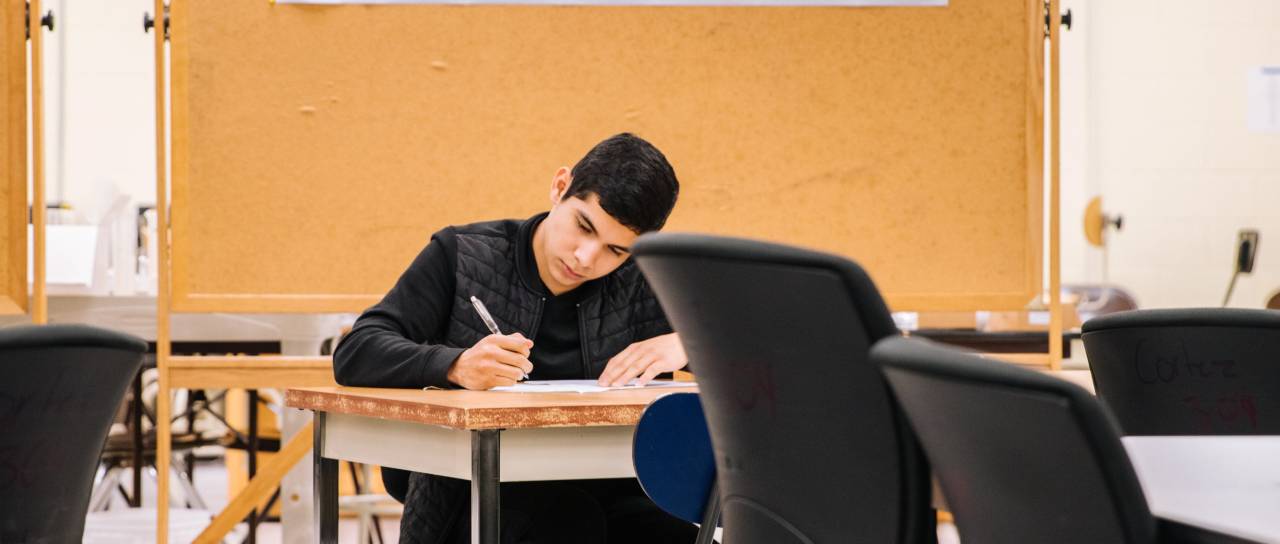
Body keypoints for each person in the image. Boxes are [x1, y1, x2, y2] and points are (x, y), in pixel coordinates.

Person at [333, 133, 698, 543]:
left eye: (615, 251)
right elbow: (356, 351)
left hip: (611, 485)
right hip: (473, 490)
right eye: (583, 226)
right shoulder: (462, 254)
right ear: (560, 186)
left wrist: (688, 345)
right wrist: (454, 366)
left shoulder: (646, 280)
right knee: (568, 521)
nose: (585, 258)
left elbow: (753, 358)